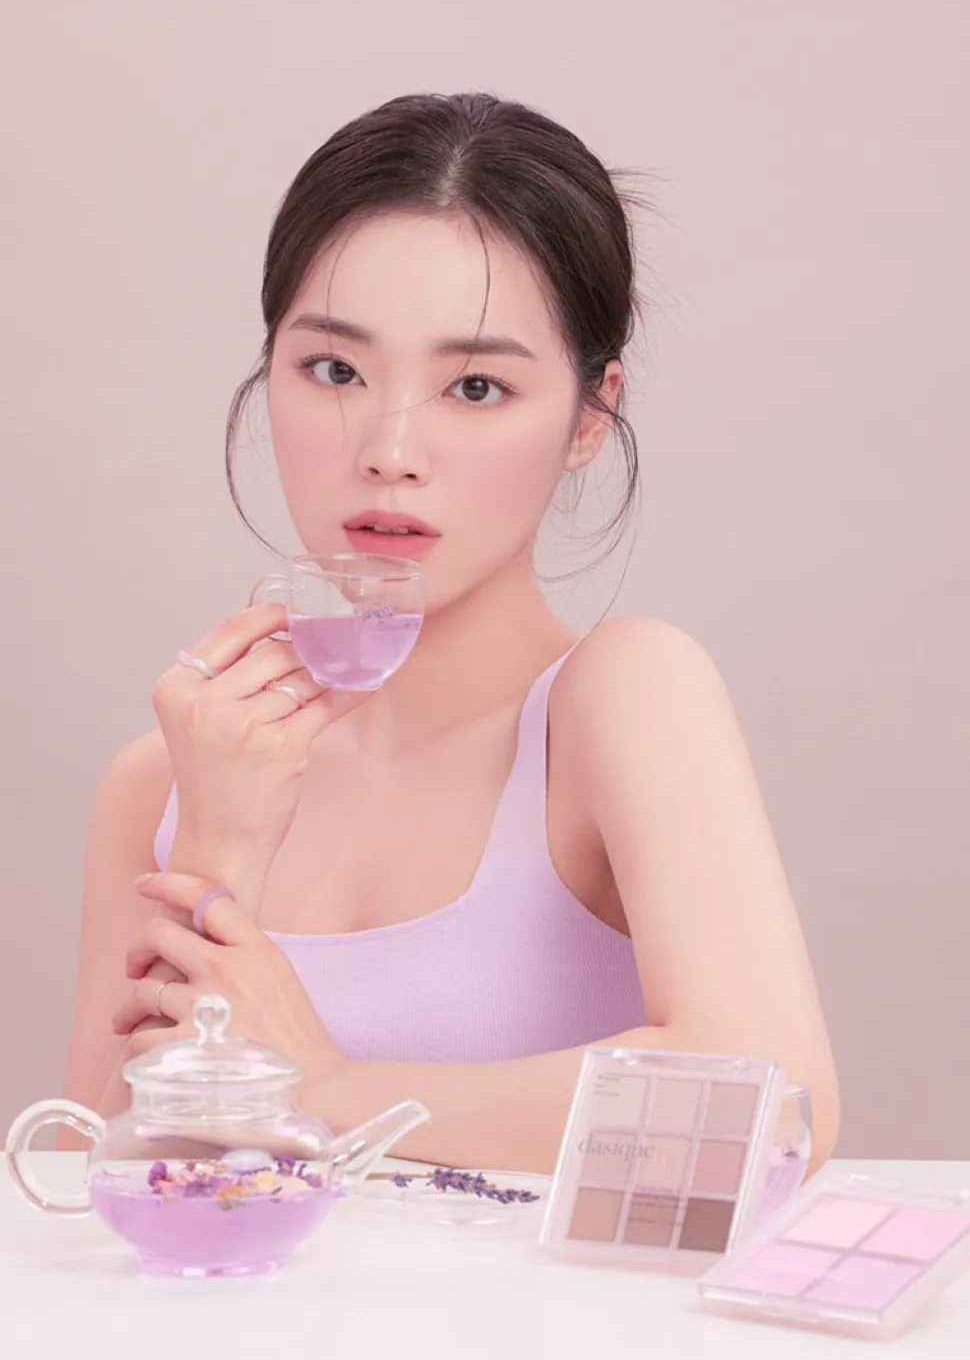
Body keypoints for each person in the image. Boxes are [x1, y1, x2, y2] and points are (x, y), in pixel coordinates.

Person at [63, 92, 839, 1174]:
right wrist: (218, 850)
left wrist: (325, 1091)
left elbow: (780, 1103)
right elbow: (97, 1191)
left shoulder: (617, 700)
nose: (389, 451)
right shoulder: (162, 780)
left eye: (475, 386)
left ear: (589, 416)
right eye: (335, 370)